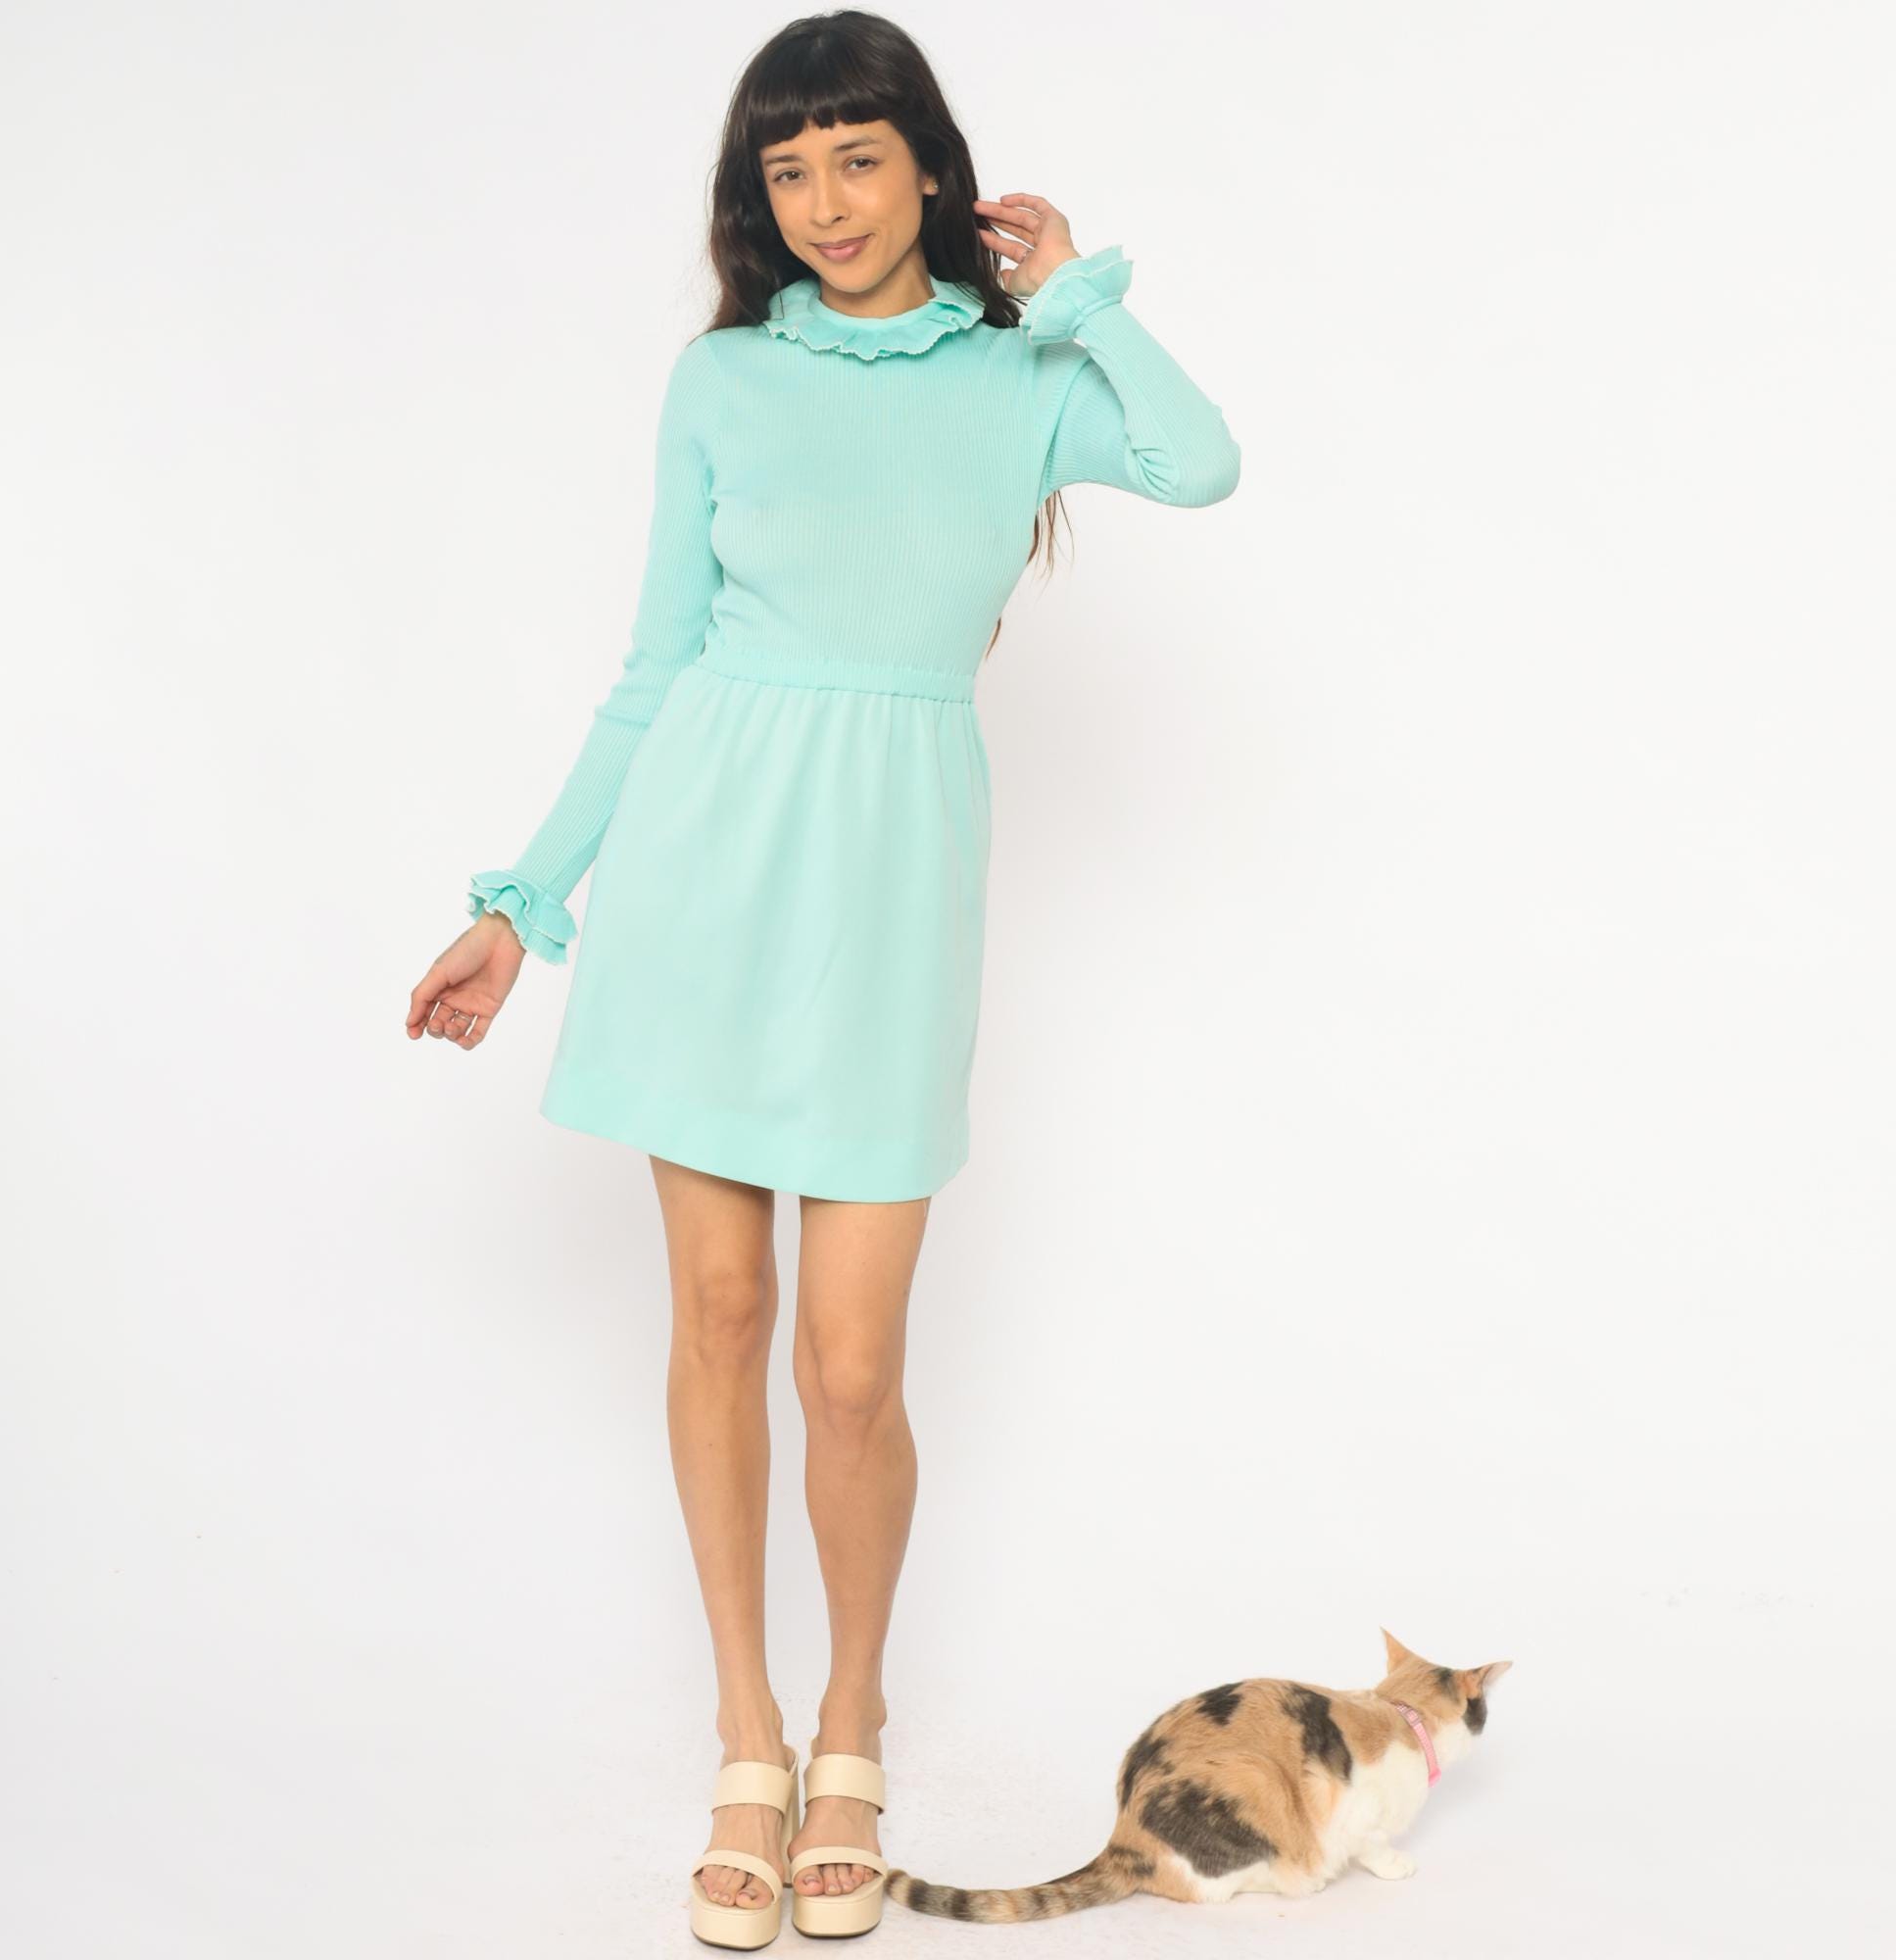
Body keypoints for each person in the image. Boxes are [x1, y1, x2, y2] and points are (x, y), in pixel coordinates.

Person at [405, 10, 1239, 1947]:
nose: (826, 202)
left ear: (931, 168)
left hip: (888, 889)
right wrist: (524, 906)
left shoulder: (1020, 375)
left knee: (851, 1370)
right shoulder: (722, 378)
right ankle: (750, 1735)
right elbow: (654, 663)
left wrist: (1080, 294)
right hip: (704, 874)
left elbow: (1199, 463)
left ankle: (854, 1719)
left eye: (858, 158)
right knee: (718, 1313)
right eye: (787, 172)